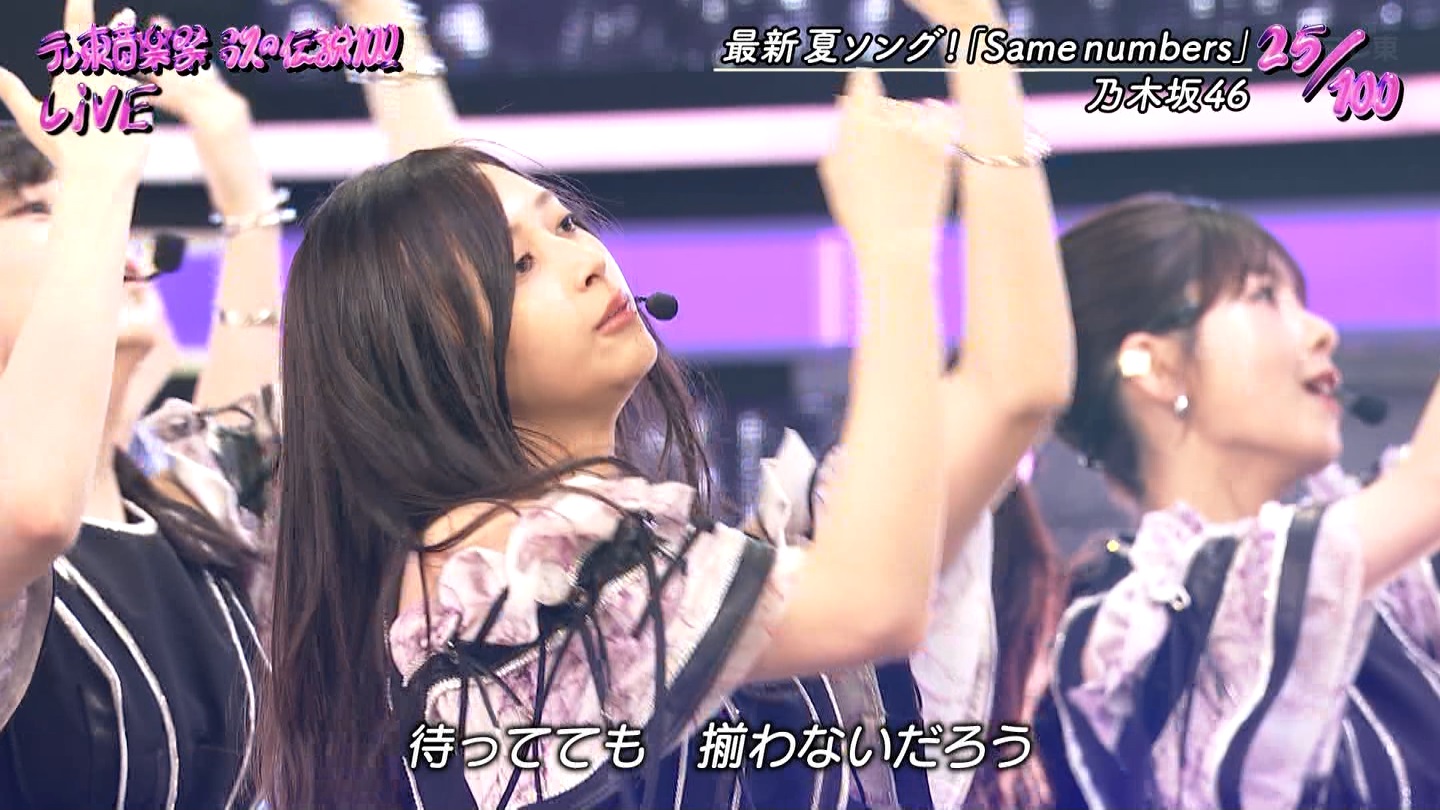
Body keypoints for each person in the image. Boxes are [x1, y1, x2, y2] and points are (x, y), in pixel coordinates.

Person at [254, 7, 1075, 804]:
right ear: (423, 363)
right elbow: (874, 605)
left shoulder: (645, 568)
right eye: (519, 267)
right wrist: (895, 251)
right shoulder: (507, 572)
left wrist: (976, 40)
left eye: (564, 225)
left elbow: (1016, 389)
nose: (585, 261)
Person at [1033, 192, 1440, 809]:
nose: (1323, 331)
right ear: (1156, 367)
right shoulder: (1144, 627)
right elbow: (1425, 489)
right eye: (1264, 296)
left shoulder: (1389, 593)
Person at [0, 5, 284, 806]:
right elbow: (31, 513)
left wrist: (229, 147)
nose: (114, 243)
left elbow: (250, 414)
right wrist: (97, 181)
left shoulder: (182, 503)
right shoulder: (25, 519)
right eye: (40, 208)